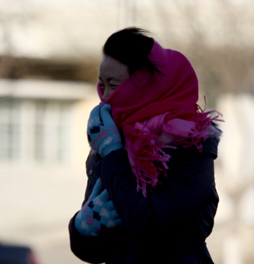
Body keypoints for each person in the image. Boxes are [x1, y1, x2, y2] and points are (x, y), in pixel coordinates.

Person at [68, 27, 222, 264]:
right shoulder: (112, 141)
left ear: (144, 87)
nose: (105, 98)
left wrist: (112, 152)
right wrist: (81, 227)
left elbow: (146, 225)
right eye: (102, 85)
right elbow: (95, 251)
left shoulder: (190, 147)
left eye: (114, 85)